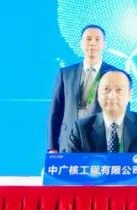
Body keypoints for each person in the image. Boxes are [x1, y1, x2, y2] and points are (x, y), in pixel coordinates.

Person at [67, 69, 137, 179]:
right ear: (98, 94)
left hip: (132, 188)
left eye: (119, 90)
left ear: (130, 95)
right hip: (95, 188)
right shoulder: (81, 128)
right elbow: (70, 166)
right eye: (106, 89)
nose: (112, 95)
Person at [47, 24, 118, 152]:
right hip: (69, 141)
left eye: (97, 39)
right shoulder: (66, 74)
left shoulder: (116, 75)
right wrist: (52, 146)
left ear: (104, 44)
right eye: (88, 39)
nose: (92, 43)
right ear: (81, 44)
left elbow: (121, 114)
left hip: (101, 143)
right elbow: (56, 112)